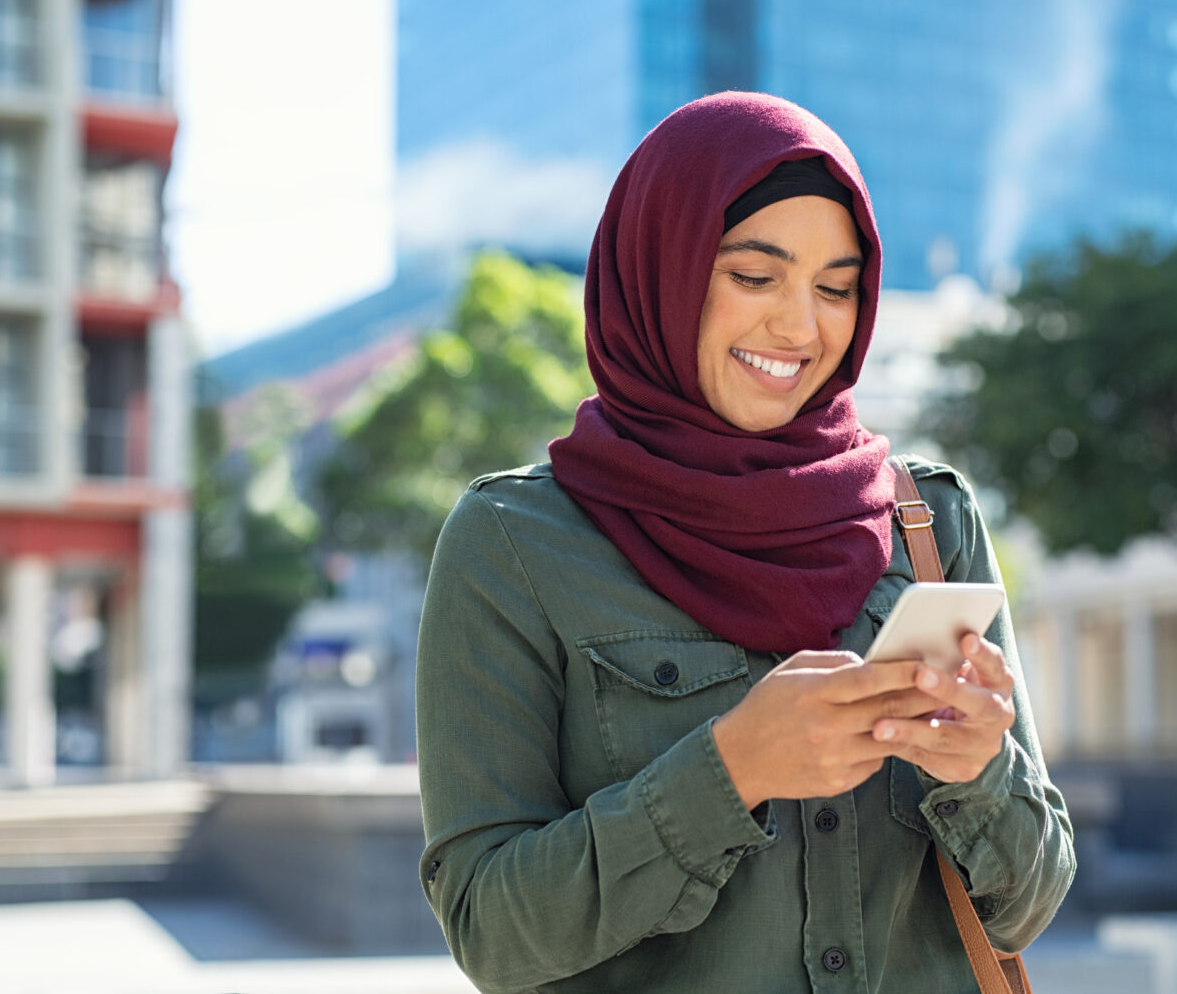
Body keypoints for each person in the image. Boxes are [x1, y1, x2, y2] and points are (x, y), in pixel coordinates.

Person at [416, 91, 1075, 992]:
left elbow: (1032, 902)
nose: (801, 328)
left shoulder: (926, 519)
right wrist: (729, 772)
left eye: (836, 288)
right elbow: (488, 928)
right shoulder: (514, 545)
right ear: (662, 270)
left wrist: (980, 772)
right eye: (755, 276)